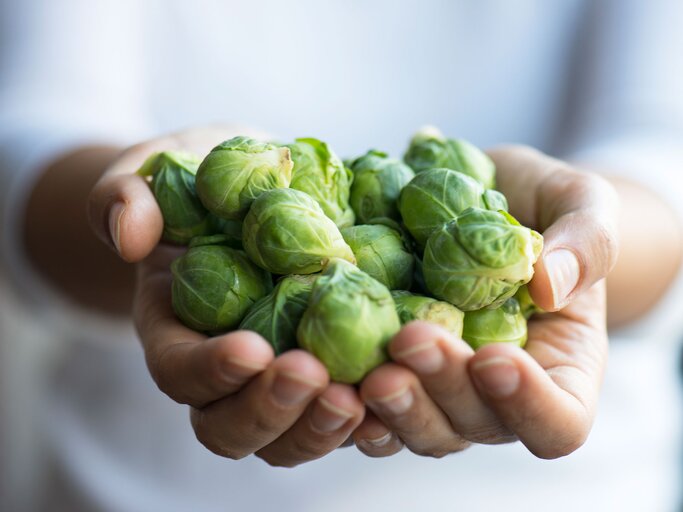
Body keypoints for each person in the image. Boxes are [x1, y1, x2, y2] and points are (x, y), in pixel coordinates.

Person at [1, 0, 682, 511]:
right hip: (137, 486)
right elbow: (28, 134)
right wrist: (135, 217)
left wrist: (576, 255)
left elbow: (664, 154)